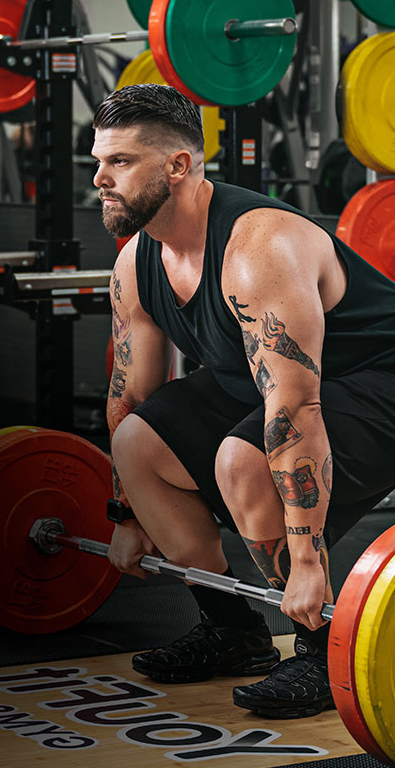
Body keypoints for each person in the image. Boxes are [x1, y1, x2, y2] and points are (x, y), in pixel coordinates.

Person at [92, 84, 395, 720]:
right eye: (98, 161)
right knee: (138, 442)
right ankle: (232, 631)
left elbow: (295, 410)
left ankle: (318, 651)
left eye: (119, 162)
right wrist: (128, 514)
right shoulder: (136, 263)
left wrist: (307, 557)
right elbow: (131, 395)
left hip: (379, 381)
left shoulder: (258, 249)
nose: (100, 178)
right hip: (276, 386)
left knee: (244, 459)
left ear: (178, 165)